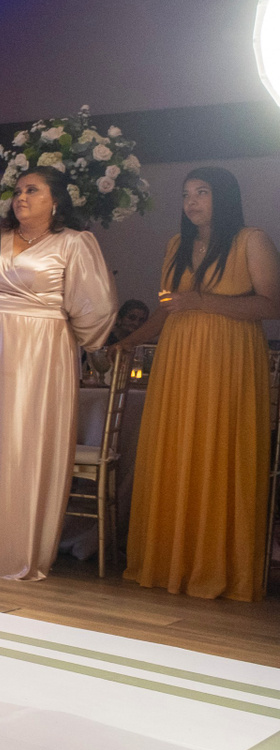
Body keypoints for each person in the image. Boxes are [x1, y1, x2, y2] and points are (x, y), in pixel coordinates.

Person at [0, 167, 117, 580]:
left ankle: (15, 548)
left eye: (32, 190)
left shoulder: (74, 242)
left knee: (27, 439)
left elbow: (96, 305)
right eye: (17, 191)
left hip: (41, 349)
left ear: (56, 200)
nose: (21, 197)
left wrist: (83, 345)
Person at [119, 168, 279, 602]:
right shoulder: (177, 244)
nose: (191, 202)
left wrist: (202, 301)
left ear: (223, 197)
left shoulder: (251, 240)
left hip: (229, 360)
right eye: (186, 194)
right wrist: (128, 341)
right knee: (175, 447)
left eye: (202, 193)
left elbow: (273, 304)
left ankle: (213, 566)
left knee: (219, 447)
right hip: (177, 358)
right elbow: (167, 307)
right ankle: (168, 560)